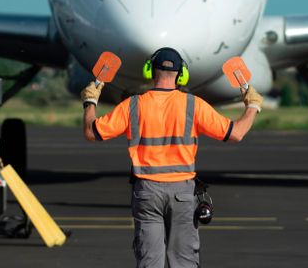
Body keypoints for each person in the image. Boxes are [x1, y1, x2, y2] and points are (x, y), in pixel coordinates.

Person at [81, 47, 263, 268]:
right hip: (183, 194)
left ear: (150, 71)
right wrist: (252, 105)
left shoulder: (133, 105)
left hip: (146, 192)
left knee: (149, 262)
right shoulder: (193, 105)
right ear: (181, 74)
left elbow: (92, 132)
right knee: (184, 262)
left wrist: (90, 101)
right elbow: (236, 133)